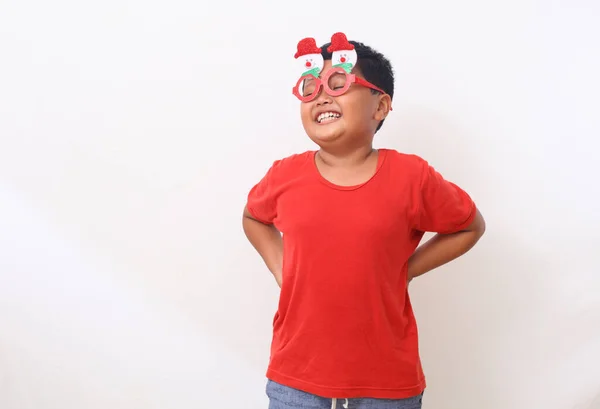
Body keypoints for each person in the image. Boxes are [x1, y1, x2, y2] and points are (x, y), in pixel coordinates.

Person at [242, 32, 486, 409]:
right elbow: (253, 217)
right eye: (310, 88)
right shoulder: (284, 175)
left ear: (381, 106)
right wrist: (281, 265)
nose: (322, 95)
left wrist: (404, 268)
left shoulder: (412, 177)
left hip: (386, 383)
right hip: (297, 378)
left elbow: (470, 226)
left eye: (338, 84)